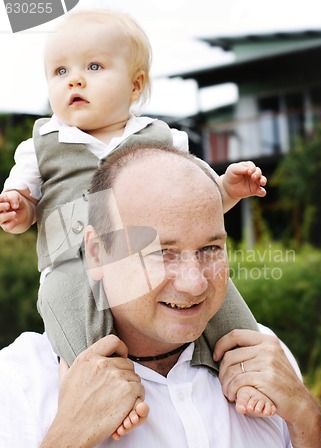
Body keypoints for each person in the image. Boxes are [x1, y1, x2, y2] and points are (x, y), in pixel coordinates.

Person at [0, 144, 321, 448]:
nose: (195, 283)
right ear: (97, 253)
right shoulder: (20, 383)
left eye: (211, 249)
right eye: (162, 253)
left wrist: (309, 423)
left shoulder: (264, 353)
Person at [0, 8, 273, 420]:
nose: (74, 79)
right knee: (62, 299)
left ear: (135, 85)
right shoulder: (41, 144)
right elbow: (26, 208)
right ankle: (101, 389)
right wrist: (20, 210)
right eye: (59, 71)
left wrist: (224, 190)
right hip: (72, 257)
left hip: (154, 252)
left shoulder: (162, 138)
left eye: (93, 66)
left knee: (210, 284)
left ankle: (249, 368)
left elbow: (192, 206)